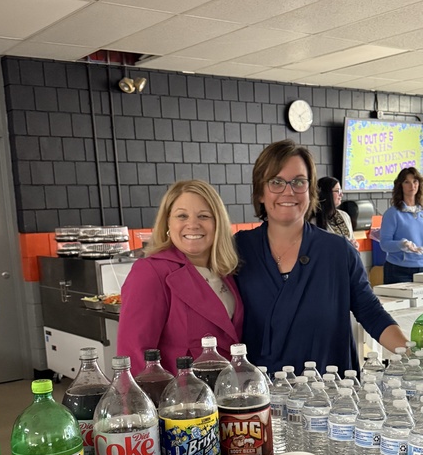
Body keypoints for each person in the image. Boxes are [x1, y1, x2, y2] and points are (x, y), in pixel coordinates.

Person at [235, 140, 407, 375]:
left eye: (299, 182)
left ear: (310, 190)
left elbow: (371, 312)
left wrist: (411, 355)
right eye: (276, 182)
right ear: (260, 192)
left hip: (330, 396)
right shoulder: (238, 250)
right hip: (261, 395)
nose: (289, 191)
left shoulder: (338, 252)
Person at [117, 179, 243, 375]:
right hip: (180, 400)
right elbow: (134, 357)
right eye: (182, 216)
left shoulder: (225, 271)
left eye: (204, 216)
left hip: (227, 395)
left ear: (217, 223)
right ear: (168, 222)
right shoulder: (150, 272)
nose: (192, 224)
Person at [378, 167, 423, 283]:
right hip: (398, 270)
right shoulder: (392, 214)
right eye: (407, 182)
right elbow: (384, 244)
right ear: (400, 186)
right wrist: (402, 244)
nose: (412, 186)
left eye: (415, 181)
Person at [313, 176, 355, 241]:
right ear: (327, 193)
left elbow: (352, 239)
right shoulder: (313, 221)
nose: (341, 194)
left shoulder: (345, 216)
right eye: (337, 191)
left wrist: (354, 245)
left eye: (341, 190)